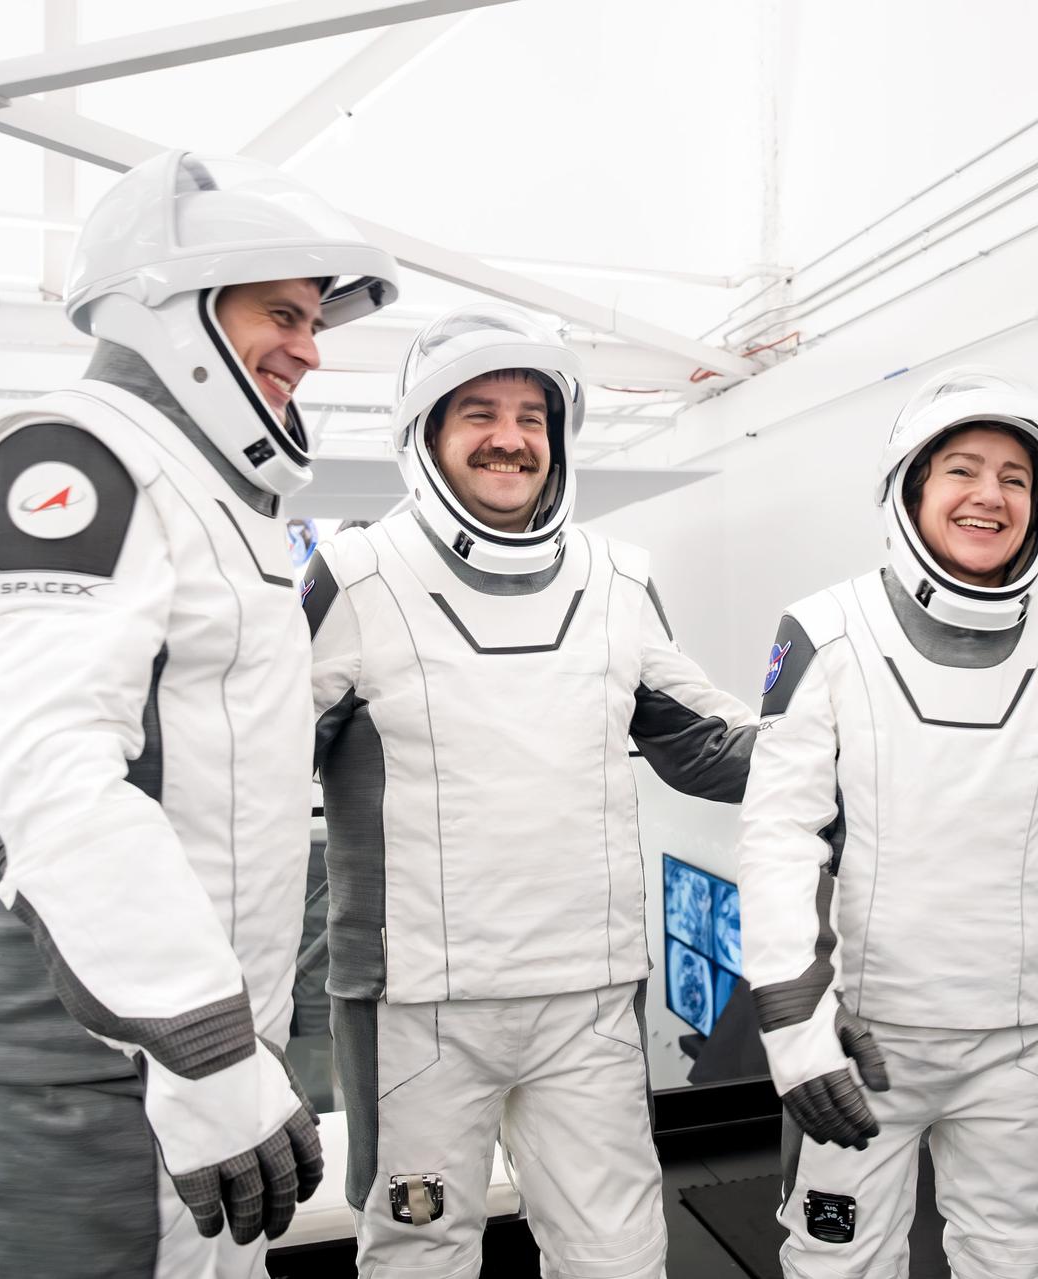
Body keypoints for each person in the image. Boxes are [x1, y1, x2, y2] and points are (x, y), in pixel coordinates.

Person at [0, 149, 399, 1276]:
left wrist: (226, 1054)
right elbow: (43, 766)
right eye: (282, 313)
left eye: (316, 321)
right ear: (174, 308)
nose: (312, 348)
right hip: (84, 1077)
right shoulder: (75, 451)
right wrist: (206, 1044)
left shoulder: (211, 494)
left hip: (191, 1064)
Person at [301, 302, 758, 1279]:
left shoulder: (619, 577)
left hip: (586, 996)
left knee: (621, 1257)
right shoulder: (353, 575)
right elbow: (247, 763)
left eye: (531, 415)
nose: (510, 437)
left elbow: (705, 748)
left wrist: (872, 736)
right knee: (416, 1256)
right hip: (412, 1003)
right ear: (423, 434)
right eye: (478, 412)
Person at [737, 368, 1038, 1279]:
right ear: (911, 487)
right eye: (962, 469)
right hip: (861, 1042)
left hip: (1019, 1049)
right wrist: (797, 1028)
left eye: (1016, 479)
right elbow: (781, 839)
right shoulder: (824, 631)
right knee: (836, 1266)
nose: (990, 495)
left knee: (1021, 1265)